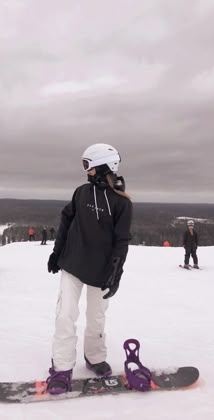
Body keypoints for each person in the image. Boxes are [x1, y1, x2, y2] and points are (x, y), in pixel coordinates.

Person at [46, 143, 132, 395]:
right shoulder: (81, 192)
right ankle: (62, 367)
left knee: (96, 318)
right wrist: (56, 252)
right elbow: (66, 221)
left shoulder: (121, 203)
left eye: (87, 164)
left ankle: (94, 357)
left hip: (101, 270)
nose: (85, 170)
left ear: (103, 164)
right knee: (65, 315)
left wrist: (115, 275)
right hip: (72, 264)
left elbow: (121, 242)